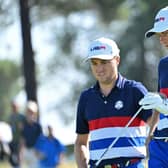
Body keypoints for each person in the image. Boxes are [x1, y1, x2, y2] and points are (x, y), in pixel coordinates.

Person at [74, 37, 152, 168]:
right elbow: (81, 142)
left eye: (104, 62)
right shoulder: (86, 98)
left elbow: (156, 128)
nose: (99, 68)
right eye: (94, 63)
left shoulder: (135, 90)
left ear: (117, 60)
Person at [139, 6, 168, 168]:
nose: (161, 38)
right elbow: (161, 98)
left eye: (165, 33)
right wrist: (150, 132)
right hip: (160, 144)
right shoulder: (163, 65)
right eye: (159, 34)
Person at [20, 100, 42, 168]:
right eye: (28, 112)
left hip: (35, 151)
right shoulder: (24, 125)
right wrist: (21, 152)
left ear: (35, 113)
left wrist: (38, 150)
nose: (30, 114)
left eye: (31, 112)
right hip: (26, 151)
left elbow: (40, 140)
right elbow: (22, 139)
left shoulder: (38, 126)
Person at [8, 101, 26, 168]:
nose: (14, 108)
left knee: (19, 157)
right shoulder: (11, 117)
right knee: (12, 157)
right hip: (12, 140)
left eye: (15, 106)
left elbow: (25, 129)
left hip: (20, 140)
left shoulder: (21, 117)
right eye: (13, 106)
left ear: (18, 107)